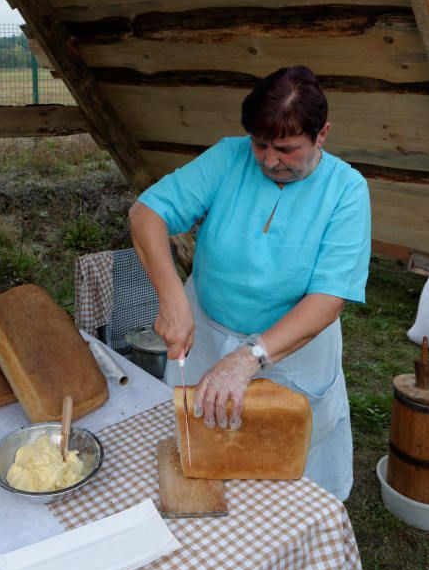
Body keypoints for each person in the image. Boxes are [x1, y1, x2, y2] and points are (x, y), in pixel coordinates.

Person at [129, 65, 371, 502]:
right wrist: (172, 298)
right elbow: (147, 213)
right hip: (206, 333)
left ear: (322, 135)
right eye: (260, 145)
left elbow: (329, 298)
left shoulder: (346, 190)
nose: (269, 160)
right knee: (197, 448)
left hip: (291, 351)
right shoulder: (229, 157)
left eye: (286, 149)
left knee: (285, 464)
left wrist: (249, 358)